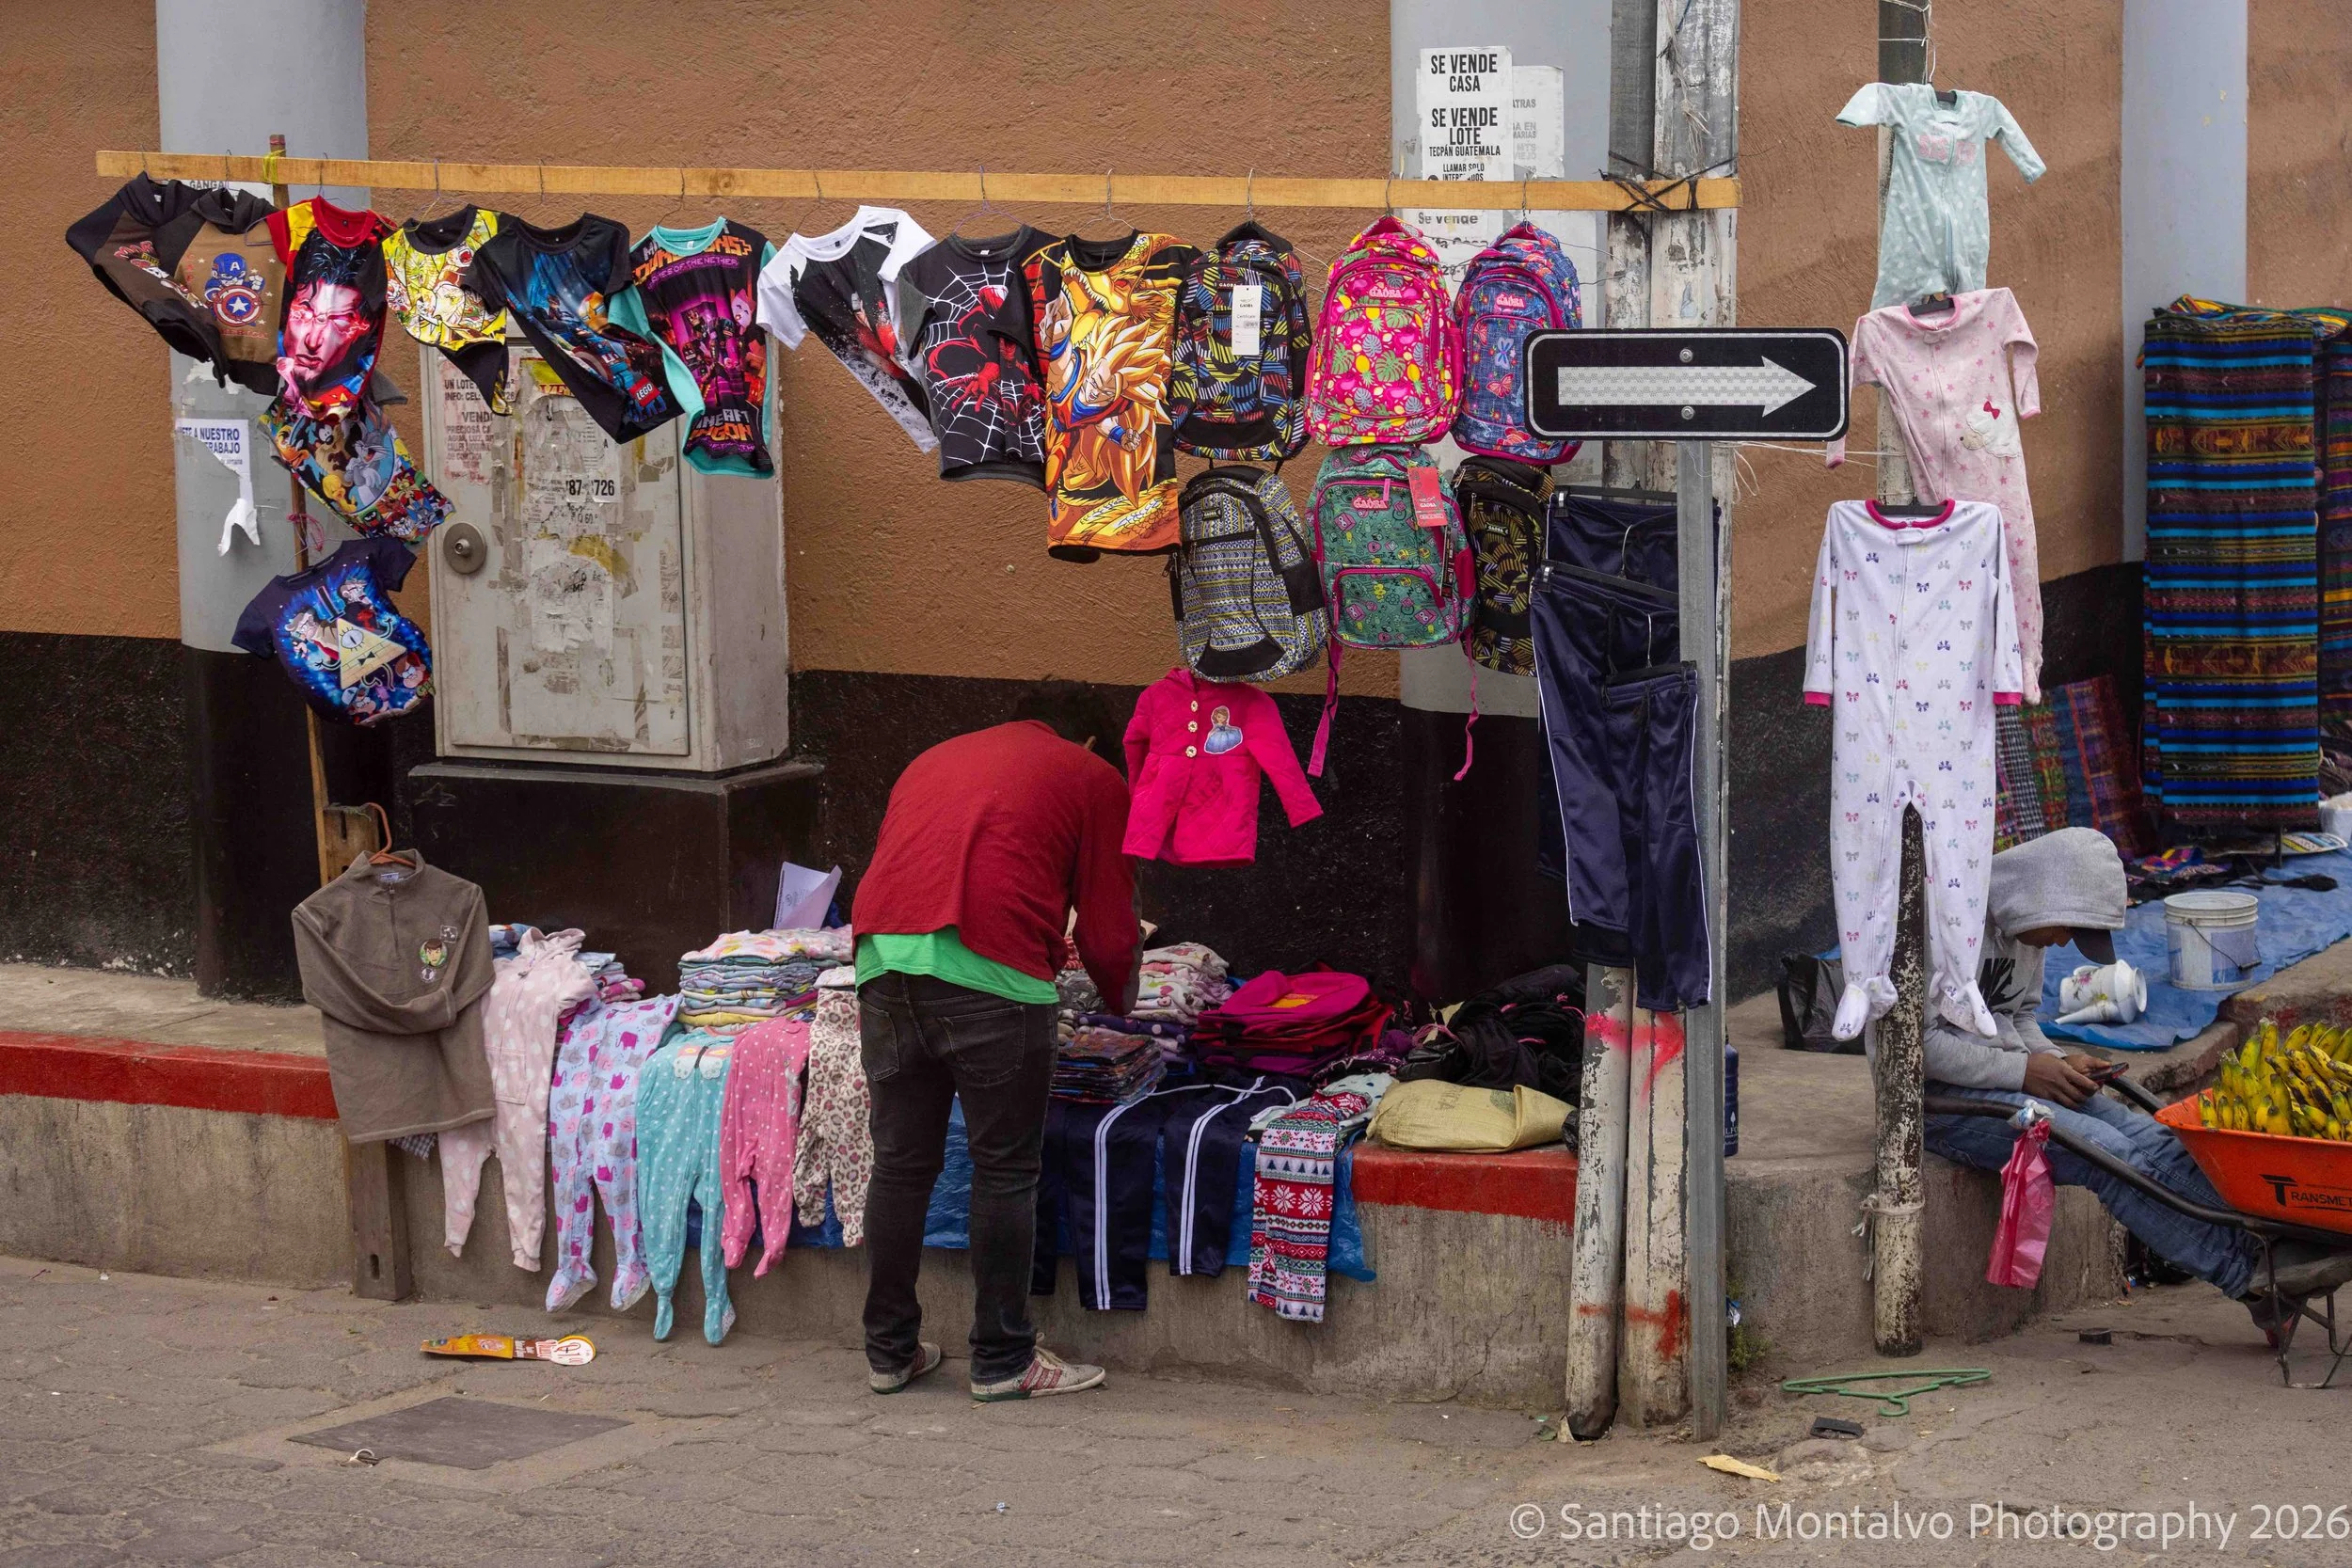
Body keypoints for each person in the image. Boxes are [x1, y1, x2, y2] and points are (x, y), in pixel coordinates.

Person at [1913, 827, 2352, 1324]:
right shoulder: (1937, 926)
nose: (2060, 943)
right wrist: (2024, 1070)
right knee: (2104, 1153)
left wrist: (2055, 1060)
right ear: (2035, 897)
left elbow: (2019, 1017)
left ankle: (2270, 1241)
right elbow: (1913, 1048)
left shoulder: (2022, 930)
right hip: (1942, 1105)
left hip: (2011, 1081)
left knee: (2157, 1138)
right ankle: (2250, 1277)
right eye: (2064, 929)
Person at [850, 680, 1140, 1402]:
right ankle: (1005, 1357)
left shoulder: (934, 757)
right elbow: (1107, 931)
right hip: (992, 973)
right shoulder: (1093, 776)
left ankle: (889, 1352)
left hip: (881, 964)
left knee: (901, 1164)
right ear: (1094, 743)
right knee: (1006, 1168)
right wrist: (1123, 1002)